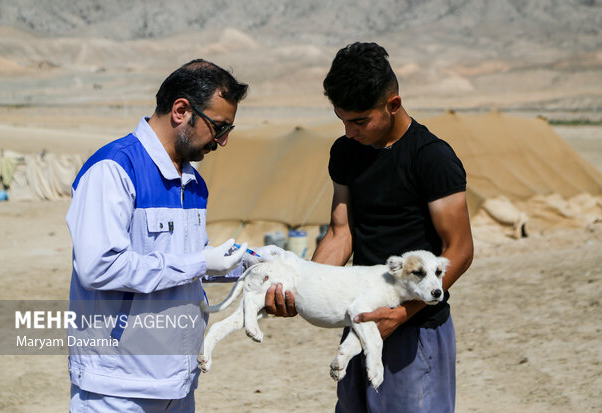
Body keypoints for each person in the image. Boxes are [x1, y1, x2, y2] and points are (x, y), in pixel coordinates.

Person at [265, 42, 474, 412]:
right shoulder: (345, 152)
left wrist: (403, 313)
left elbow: (458, 248)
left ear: (392, 104)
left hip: (416, 327)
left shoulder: (432, 157)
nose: (349, 131)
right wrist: (302, 285)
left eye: (360, 121)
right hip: (359, 314)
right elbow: (340, 232)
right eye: (342, 119)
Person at [67, 59, 280, 412]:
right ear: (182, 110)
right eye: (219, 127)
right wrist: (199, 261)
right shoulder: (114, 169)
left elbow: (185, 265)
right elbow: (98, 268)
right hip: (117, 388)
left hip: (177, 383)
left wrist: (246, 264)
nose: (223, 141)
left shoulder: (193, 183)